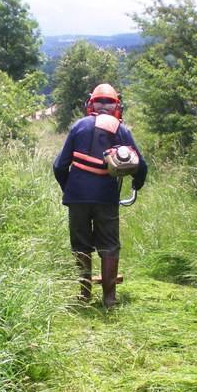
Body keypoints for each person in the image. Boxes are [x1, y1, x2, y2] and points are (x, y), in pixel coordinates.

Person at [53, 83, 147, 308]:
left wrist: (70, 189)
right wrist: (137, 184)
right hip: (106, 197)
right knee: (109, 245)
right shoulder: (121, 129)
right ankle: (109, 298)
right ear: (117, 105)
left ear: (91, 103)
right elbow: (141, 165)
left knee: (81, 245)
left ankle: (84, 294)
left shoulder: (79, 126)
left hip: (77, 198)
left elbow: (59, 166)